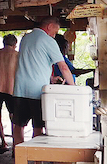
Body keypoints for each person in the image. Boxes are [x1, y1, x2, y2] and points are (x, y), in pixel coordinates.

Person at [12, 17, 75, 148]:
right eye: (55, 31)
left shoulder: (25, 38)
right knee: (38, 128)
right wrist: (73, 88)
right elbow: (63, 67)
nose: (55, 34)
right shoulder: (48, 40)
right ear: (50, 26)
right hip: (37, 92)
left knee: (18, 126)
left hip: (19, 89)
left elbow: (32, 64)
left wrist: (50, 79)